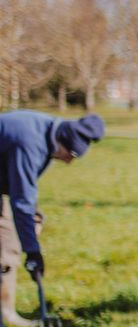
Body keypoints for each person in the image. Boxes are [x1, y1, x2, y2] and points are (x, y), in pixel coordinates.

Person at [0, 111, 105, 291]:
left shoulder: (48, 134)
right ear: (62, 141)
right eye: (71, 154)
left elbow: (23, 187)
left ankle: (6, 312)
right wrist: (33, 252)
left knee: (8, 241)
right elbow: (21, 200)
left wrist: (35, 214)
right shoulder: (29, 143)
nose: (69, 162)